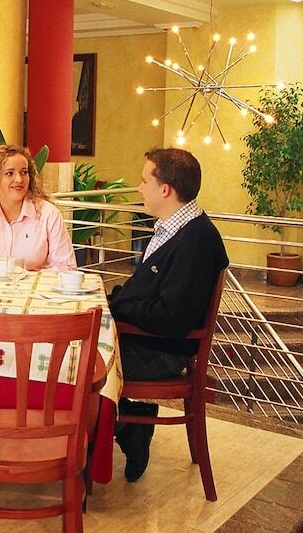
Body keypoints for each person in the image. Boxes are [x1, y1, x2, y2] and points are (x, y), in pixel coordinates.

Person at [108, 147, 229, 483]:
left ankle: (123, 429)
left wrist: (119, 307)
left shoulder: (196, 240)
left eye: (144, 181)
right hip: (147, 338)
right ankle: (123, 422)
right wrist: (115, 303)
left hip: (162, 350)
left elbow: (172, 318)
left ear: (165, 189)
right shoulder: (173, 229)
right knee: (72, 353)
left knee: (74, 367)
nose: (138, 188)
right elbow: (146, 292)